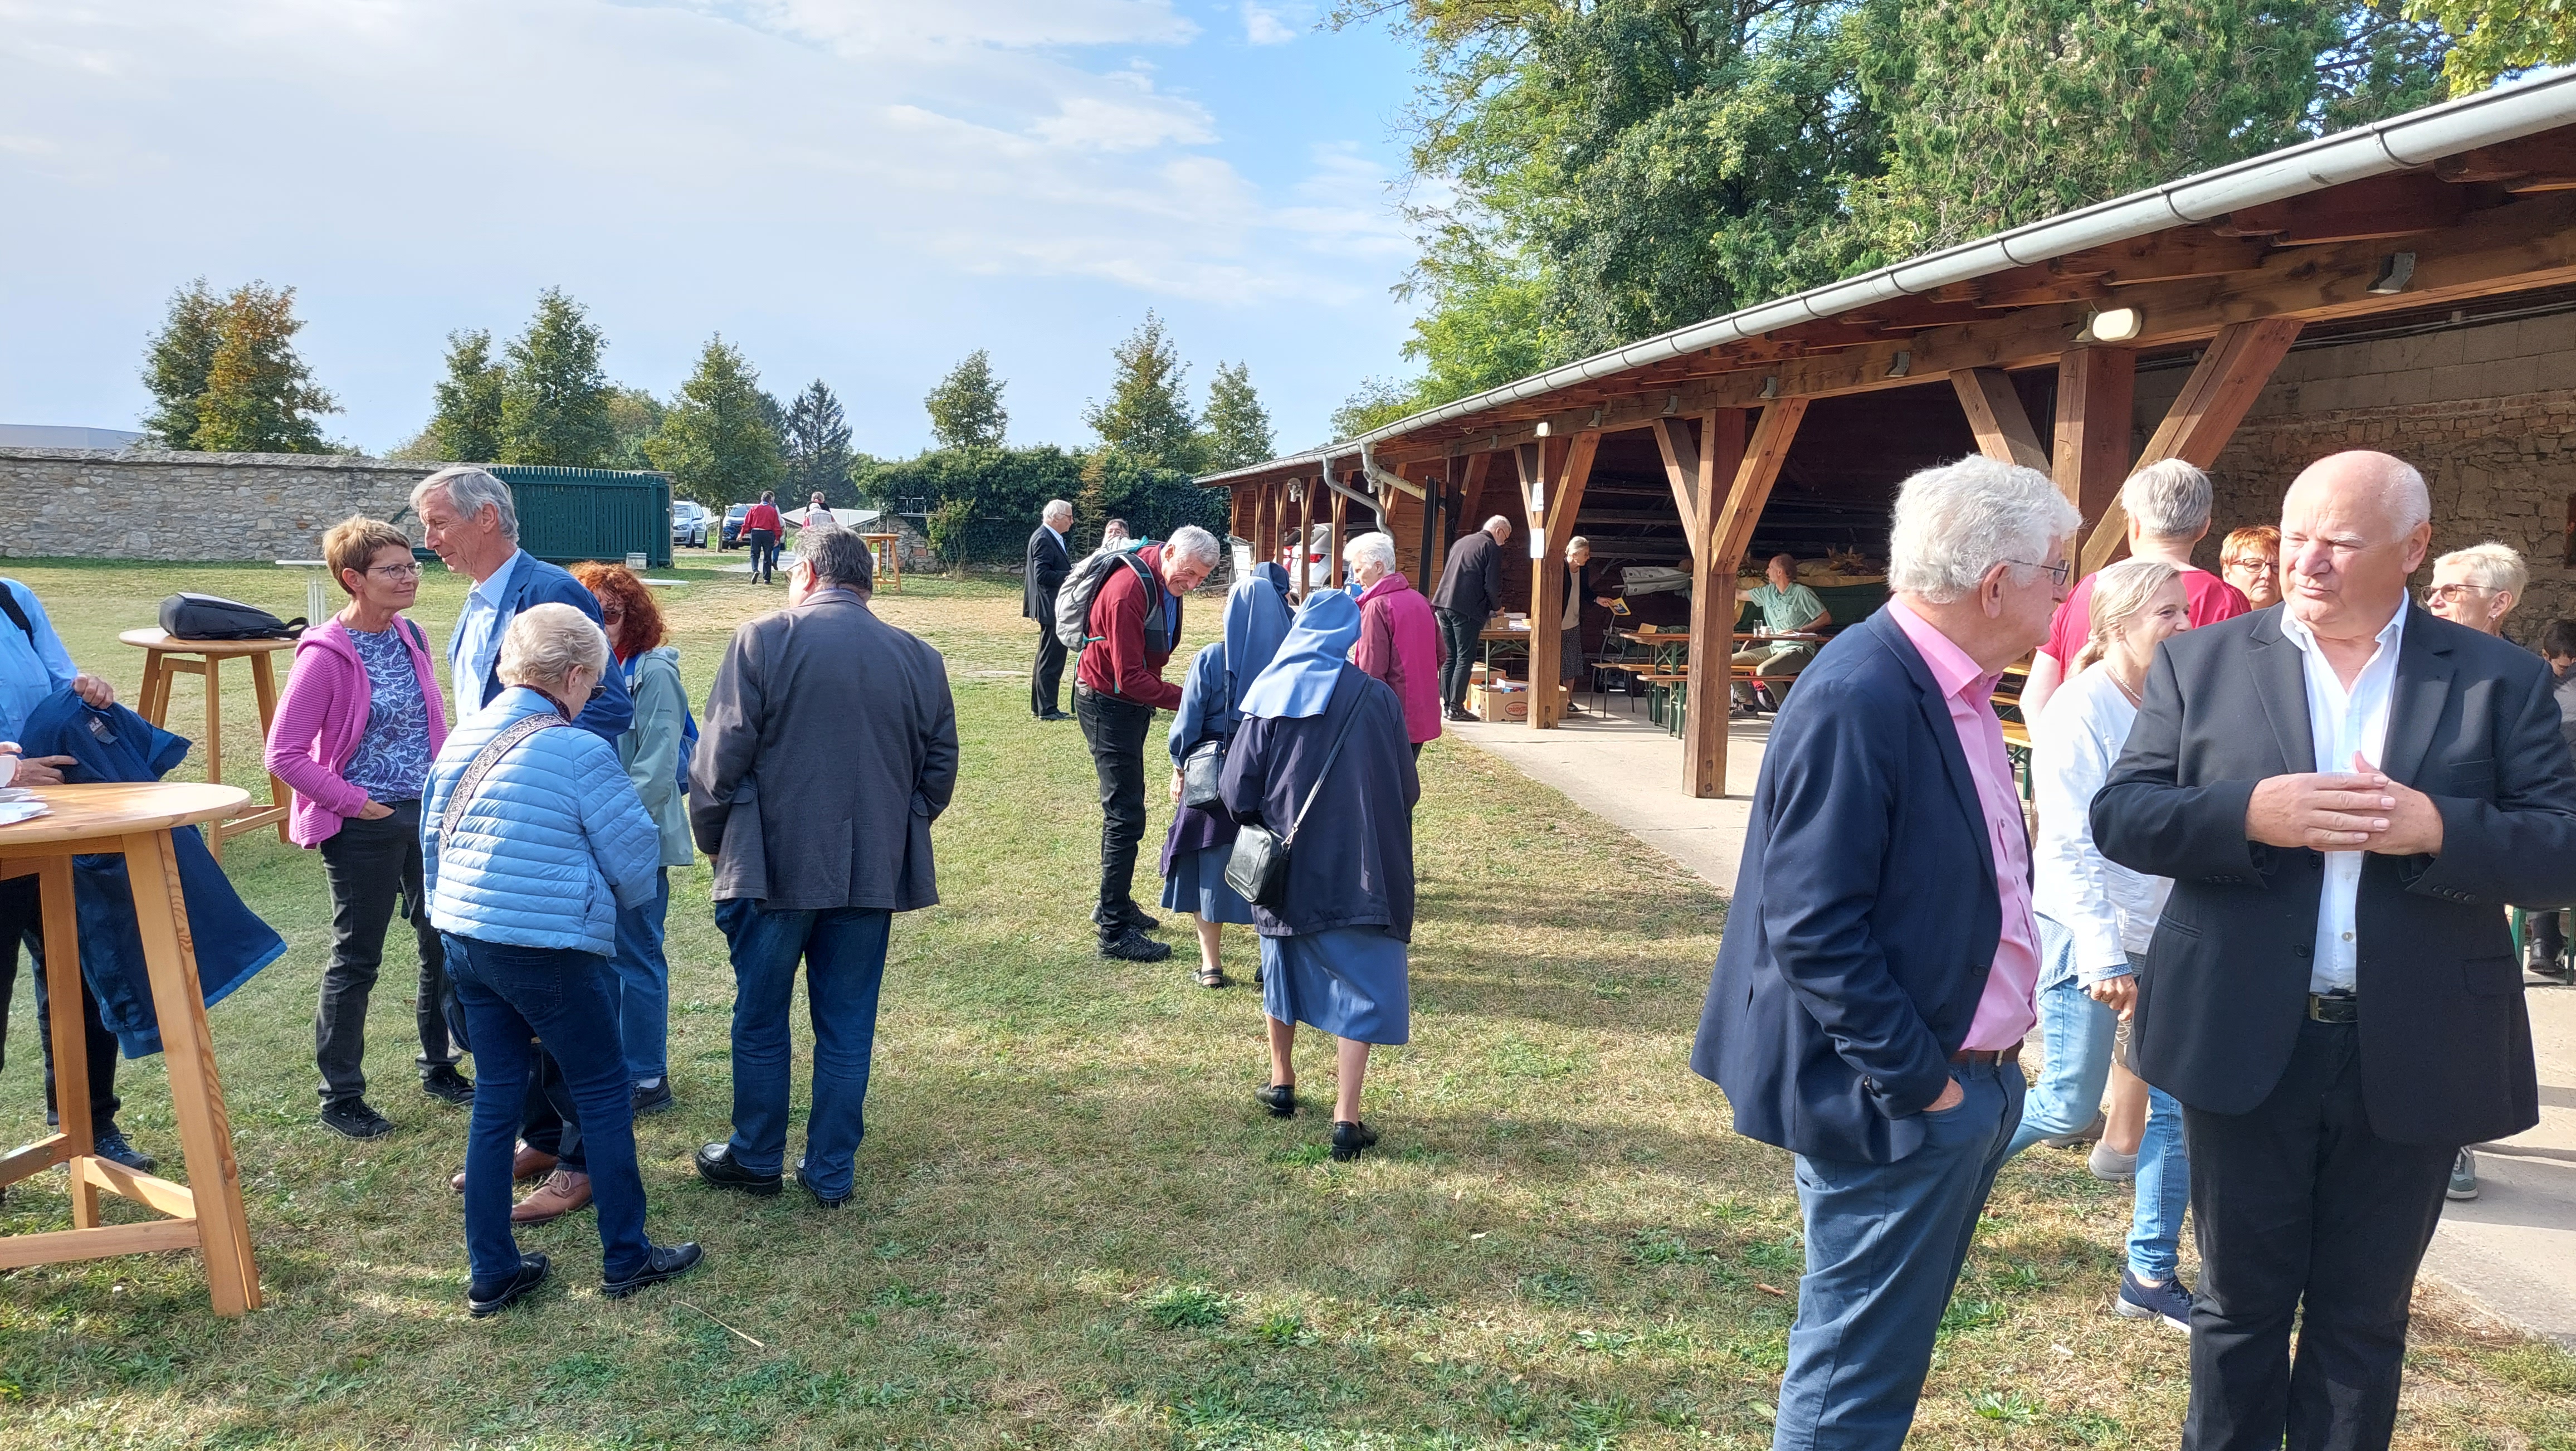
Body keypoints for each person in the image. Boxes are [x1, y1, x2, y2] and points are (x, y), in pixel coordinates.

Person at [2094, 449, 2576, 1451]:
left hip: (2412, 1043)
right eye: (2296, 533)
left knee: (2363, 1316)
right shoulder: (2204, 660)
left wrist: (2437, 829)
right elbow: (2123, 814)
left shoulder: (2499, 678)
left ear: (2411, 549)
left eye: (2338, 541)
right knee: (2235, 1305)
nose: (2306, 561)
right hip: (2243, 1033)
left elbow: (2560, 847)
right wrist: (2247, 813)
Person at [1690, 455, 2079, 1451]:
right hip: (1904, 1093)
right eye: (2054, 573)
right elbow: (1811, 924)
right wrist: (1923, 1085)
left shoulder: (1948, 684)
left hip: (1965, 1076)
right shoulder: (1863, 690)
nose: (2062, 594)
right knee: (1851, 1377)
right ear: (1994, 583)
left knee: (1880, 1353)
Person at [423, 603, 701, 1317]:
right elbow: (634, 857)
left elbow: (432, 841)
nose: (593, 697)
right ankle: (627, 1256)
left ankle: (492, 1271)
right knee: (604, 1092)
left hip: (466, 936)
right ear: (574, 675)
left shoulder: (466, 733)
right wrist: (616, 905)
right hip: (547, 948)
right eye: (594, 684)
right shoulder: (577, 750)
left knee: (496, 1098)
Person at [690, 525, 959, 1208]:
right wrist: (896, 825)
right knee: (847, 1023)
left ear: (807, 574)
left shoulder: (764, 638)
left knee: (760, 1016)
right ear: (863, 581)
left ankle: (756, 1155)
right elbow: (939, 771)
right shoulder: (919, 658)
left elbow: (717, 763)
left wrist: (714, 841)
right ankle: (829, 1168)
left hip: (770, 864)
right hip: (868, 868)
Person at [414, 465, 631, 1194]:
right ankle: (543, 1138)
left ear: (486, 519)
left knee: (558, 1002)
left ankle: (578, 1162)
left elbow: (610, 702)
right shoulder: (477, 605)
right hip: (479, 832)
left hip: (532, 832)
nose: (428, 539)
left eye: (438, 522)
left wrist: (534, 764)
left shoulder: (549, 593)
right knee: (498, 1010)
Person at [2011, 558, 2197, 1331]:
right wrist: (2102, 951)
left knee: (2176, 1110)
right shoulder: (2079, 712)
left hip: (2172, 932)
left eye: (2185, 611)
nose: (2185, 625)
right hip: (2089, 930)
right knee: (2065, 1104)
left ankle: (2149, 1275)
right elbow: (2064, 843)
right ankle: (1925, 1176)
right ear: (2115, 625)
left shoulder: (2182, 702)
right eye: (2167, 613)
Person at [265, 516, 467, 1140]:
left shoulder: (411, 635)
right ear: (352, 579)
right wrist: (357, 804)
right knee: (358, 957)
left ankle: (440, 1065)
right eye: (392, 569)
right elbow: (284, 754)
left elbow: (427, 727)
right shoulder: (326, 655)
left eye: (412, 566)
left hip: (425, 814)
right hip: (365, 824)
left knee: (442, 942)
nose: (409, 577)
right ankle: (342, 1096)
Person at [1220, 589, 1421, 1161]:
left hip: (1285, 871)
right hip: (1360, 867)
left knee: (1280, 970)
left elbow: (1237, 793)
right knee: (1358, 985)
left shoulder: (1266, 694)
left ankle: (1281, 1082)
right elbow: (1407, 788)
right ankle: (1345, 1118)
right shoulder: (1376, 698)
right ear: (1348, 637)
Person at [0, 577, 155, 1175]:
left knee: (81, 982)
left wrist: (87, 692)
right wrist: (9, 769)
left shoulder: (13, 598)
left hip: (53, 827)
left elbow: (61, 684)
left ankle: (87, 1128)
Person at [2418, 541, 2533, 1200]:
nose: (2433, 600)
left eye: (2450, 590)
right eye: (2432, 588)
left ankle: (2453, 1140)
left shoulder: (2517, 678)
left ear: (2499, 603)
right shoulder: (2401, 662)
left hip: (2469, 871)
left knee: (2455, 1022)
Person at [572, 562, 692, 1120]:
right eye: (590, 615)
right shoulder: (586, 673)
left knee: (638, 956)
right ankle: (616, 1066)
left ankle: (647, 1076)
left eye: (612, 614)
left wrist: (610, 830)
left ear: (633, 616)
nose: (602, 624)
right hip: (587, 837)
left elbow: (658, 766)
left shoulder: (654, 672)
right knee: (599, 959)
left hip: (635, 839)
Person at [1076, 524, 1221, 963]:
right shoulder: (1127, 590)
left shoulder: (1162, 577)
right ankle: (1113, 932)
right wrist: (1194, 697)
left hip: (1127, 704)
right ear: (1171, 551)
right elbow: (1128, 678)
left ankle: (1114, 903)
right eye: (1190, 575)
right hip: (1108, 704)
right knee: (1125, 816)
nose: (1192, 586)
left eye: (1201, 579)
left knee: (1126, 812)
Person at [2020, 459, 2248, 723]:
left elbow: (2036, 697)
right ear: (2204, 527)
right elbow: (2232, 704)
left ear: (2135, 523)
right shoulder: (2225, 600)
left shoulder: (2086, 589)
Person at [1160, 561, 1294, 988]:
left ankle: (1211, 966)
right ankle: (1267, 961)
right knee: (1272, 869)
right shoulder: (1290, 667)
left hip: (1215, 785)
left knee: (1208, 873)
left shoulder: (1211, 659)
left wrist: (1179, 766)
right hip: (1271, 784)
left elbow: (1188, 723)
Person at [1346, 531, 1443, 756]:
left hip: (1391, 714)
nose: (1357, 578)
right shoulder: (1421, 601)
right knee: (1405, 782)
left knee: (1386, 786)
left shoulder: (1376, 607)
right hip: (1421, 710)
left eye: (1359, 570)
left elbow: (1370, 670)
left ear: (1378, 566)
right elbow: (1440, 655)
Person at [2529, 617, 2576, 986]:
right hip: (2550, 787)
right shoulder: (2532, 685)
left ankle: (2547, 940)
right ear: (2546, 656)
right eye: (2564, 666)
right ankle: (2545, 939)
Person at [1430, 516, 1511, 722]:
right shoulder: (1491, 547)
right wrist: (1497, 607)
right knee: (1464, 658)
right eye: (1506, 538)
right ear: (1500, 531)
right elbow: (1491, 585)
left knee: (1450, 657)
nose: (1504, 542)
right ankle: (1456, 708)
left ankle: (1447, 704)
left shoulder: (1462, 542)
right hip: (1466, 608)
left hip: (1443, 603)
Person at [1730, 554, 1829, 714]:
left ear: (1780, 572)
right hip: (1775, 647)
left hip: (1799, 649)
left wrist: (1801, 630)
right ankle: (1747, 705)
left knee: (1764, 671)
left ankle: (1785, 713)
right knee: (1729, 662)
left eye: (1770, 568)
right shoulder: (1768, 592)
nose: (1767, 571)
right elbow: (1741, 595)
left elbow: (1825, 618)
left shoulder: (1802, 593)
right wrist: (1718, 581)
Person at [1026, 499, 1075, 722]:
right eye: (1069, 516)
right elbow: (1042, 575)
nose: (1072, 521)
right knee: (1052, 658)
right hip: (1050, 605)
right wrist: (1072, 575)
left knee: (1046, 656)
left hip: (1050, 604)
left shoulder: (1050, 537)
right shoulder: (1044, 539)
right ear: (1055, 517)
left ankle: (1042, 706)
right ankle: (1047, 709)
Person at [1558, 537, 1619, 709]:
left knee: (1571, 662)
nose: (1588, 557)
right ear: (1575, 554)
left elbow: (1585, 591)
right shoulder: (1559, 568)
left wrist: (1598, 599)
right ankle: (1552, 696)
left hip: (1573, 622)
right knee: (1553, 661)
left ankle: (1568, 700)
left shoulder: (1583, 571)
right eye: (1585, 554)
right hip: (1555, 623)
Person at [2424, 540, 2525, 636]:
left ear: (2498, 604)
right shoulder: (2415, 652)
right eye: (2432, 592)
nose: (2432, 602)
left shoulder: (2512, 655)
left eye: (2451, 591)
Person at [2221, 524, 2283, 610]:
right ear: (2227, 573)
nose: (2267, 574)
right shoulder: (2211, 620)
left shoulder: (2299, 622)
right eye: (2255, 565)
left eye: (2277, 566)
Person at [741, 490, 784, 585]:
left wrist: (742, 534)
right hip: (768, 533)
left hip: (756, 532)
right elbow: (776, 525)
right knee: (767, 556)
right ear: (770, 501)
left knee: (754, 554)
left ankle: (755, 570)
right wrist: (778, 538)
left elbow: (747, 523)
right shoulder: (772, 510)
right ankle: (767, 579)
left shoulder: (754, 508)